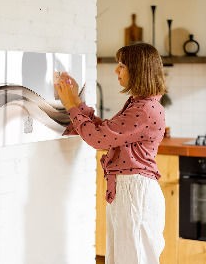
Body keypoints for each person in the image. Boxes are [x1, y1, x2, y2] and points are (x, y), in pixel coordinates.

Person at [55, 42, 167, 264]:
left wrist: (70, 106)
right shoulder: (140, 104)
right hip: (130, 191)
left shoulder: (144, 109)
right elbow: (106, 131)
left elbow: (98, 139)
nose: (116, 70)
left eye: (122, 65)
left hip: (135, 193)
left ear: (138, 70)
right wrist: (76, 102)